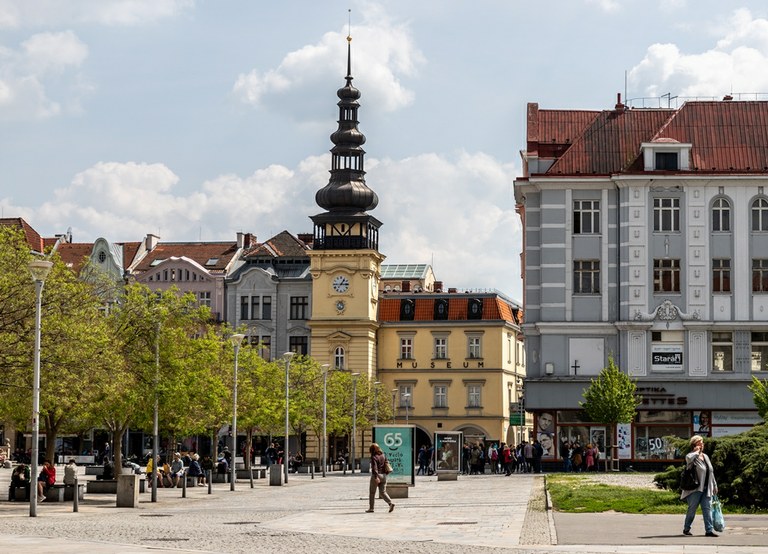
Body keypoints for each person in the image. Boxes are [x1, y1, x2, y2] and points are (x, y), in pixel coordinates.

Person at [682, 435, 719, 537]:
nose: (702, 444)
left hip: (707, 488)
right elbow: (688, 459)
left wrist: (714, 485)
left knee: (707, 509)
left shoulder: (705, 456)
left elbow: (710, 472)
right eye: (699, 443)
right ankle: (686, 528)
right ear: (694, 445)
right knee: (692, 509)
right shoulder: (691, 456)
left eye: (702, 443)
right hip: (695, 489)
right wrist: (696, 452)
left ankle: (709, 530)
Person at [366, 443, 394, 513]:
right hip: (384, 475)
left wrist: (376, 477)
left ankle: (371, 508)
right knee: (383, 492)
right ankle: (390, 503)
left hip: (377, 475)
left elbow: (374, 468)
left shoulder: (374, 457)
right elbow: (387, 464)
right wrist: (385, 474)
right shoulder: (383, 455)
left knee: (372, 493)